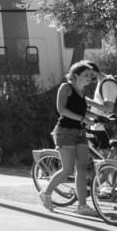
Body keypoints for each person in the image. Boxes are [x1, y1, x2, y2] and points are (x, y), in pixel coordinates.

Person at [40, 60, 99, 216]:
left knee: (81, 169)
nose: (89, 78)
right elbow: (61, 110)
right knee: (67, 170)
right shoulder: (66, 87)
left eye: (90, 76)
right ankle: (46, 193)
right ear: (75, 75)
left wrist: (100, 118)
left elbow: (84, 112)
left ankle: (82, 206)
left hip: (80, 132)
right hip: (65, 132)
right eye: (86, 75)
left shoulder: (82, 92)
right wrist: (83, 119)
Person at [84, 60, 117, 149]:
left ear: (92, 71)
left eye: (86, 75)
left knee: (107, 160)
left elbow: (109, 108)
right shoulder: (102, 82)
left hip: (104, 127)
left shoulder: (107, 83)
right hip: (99, 125)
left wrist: (87, 101)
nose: (86, 78)